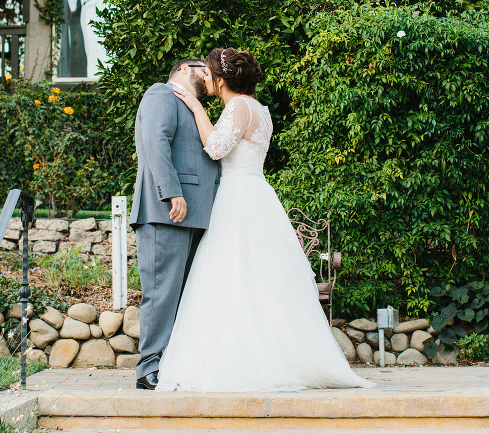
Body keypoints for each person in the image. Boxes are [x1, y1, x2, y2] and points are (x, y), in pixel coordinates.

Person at [158, 47, 372, 392]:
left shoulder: (239, 106)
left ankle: (244, 364)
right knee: (257, 282)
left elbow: (214, 148)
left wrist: (196, 106)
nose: (205, 79)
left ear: (223, 80)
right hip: (257, 195)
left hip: (238, 198)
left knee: (232, 278)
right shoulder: (260, 109)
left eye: (209, 74)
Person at [129, 59, 220, 390]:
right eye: (203, 70)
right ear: (184, 69)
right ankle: (148, 367)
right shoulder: (161, 94)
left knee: (181, 295)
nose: (208, 76)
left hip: (192, 215)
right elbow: (156, 142)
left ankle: (169, 364)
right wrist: (171, 192)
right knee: (161, 292)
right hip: (166, 212)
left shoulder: (189, 106)